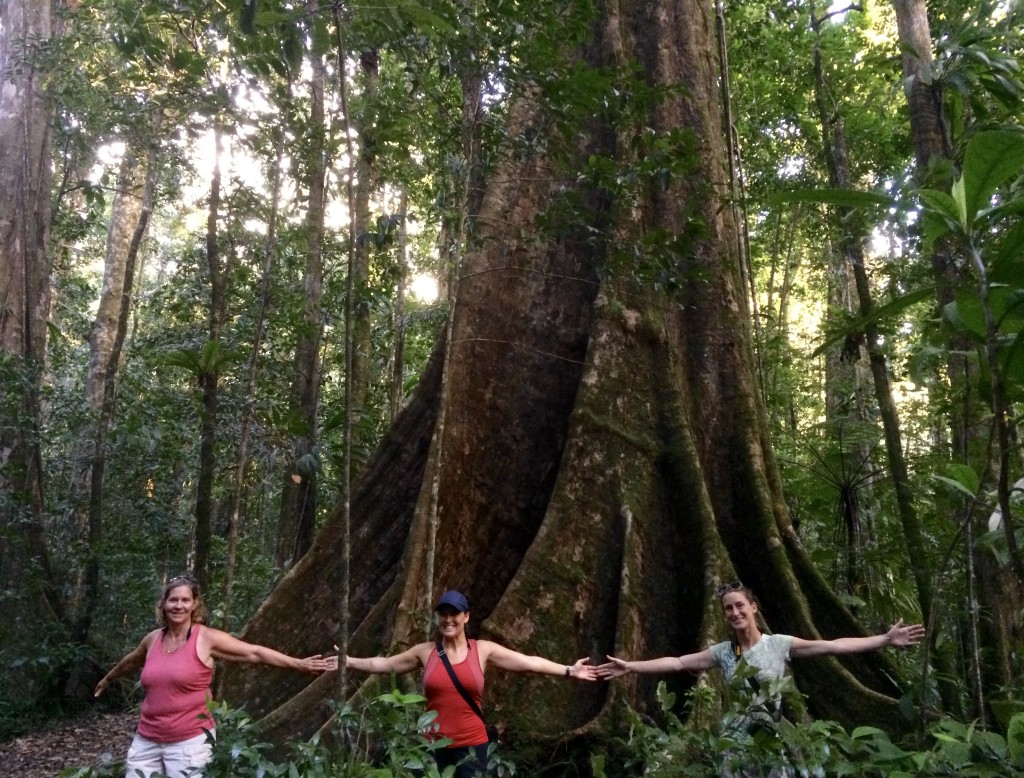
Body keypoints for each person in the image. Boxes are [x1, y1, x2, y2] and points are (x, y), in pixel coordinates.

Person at [596, 581, 926, 774]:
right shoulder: (723, 652)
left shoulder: (779, 645)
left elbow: (833, 646)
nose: (735, 613)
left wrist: (884, 639)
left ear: (753, 608)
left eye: (740, 606)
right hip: (734, 746)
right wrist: (632, 666)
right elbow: (677, 663)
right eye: (728, 609)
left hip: (771, 743)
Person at [94, 575, 336, 778]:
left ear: (195, 605)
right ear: (163, 604)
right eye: (173, 600)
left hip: (188, 743)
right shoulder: (153, 639)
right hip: (146, 740)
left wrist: (298, 664)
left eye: (185, 600)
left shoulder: (206, 638)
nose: (178, 606)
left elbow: (255, 652)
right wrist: (109, 678)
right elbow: (133, 659)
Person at [343, 589, 598, 777]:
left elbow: (529, 662)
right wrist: (348, 661)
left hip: (471, 747)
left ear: (466, 616)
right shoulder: (425, 651)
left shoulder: (482, 650)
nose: (448, 619)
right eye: (442, 614)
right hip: (431, 746)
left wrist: (569, 670)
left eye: (454, 613)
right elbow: (384, 665)